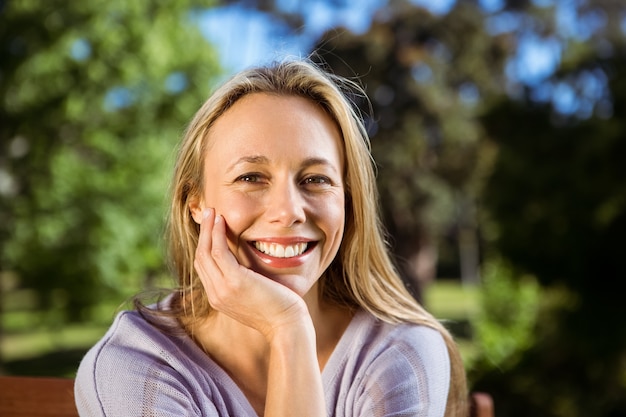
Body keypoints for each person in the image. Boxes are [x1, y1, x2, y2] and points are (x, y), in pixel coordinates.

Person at [75, 59, 468, 416]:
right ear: (194, 202)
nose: (288, 211)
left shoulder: (399, 355)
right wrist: (289, 329)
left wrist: (287, 331)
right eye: (250, 178)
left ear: (348, 201)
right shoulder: (132, 369)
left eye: (316, 179)